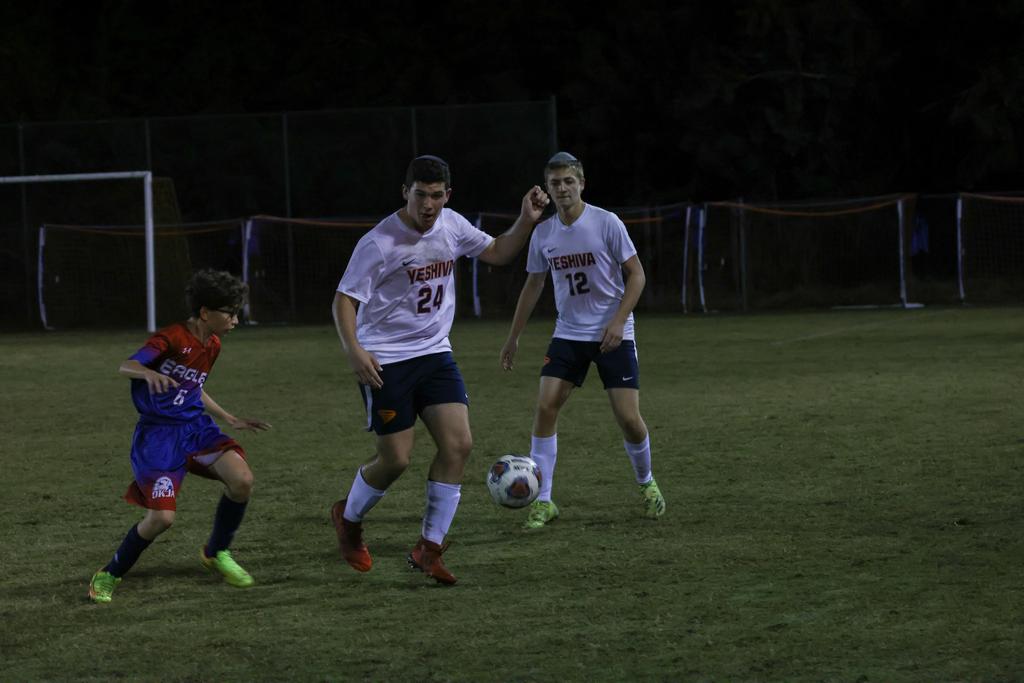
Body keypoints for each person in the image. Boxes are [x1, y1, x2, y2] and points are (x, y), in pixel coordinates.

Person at [331, 154, 549, 585]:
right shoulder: (379, 242)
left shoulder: (452, 224)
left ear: (447, 195)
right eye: (420, 195)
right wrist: (354, 350)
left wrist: (526, 220)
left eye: (435, 195)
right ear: (405, 193)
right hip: (386, 358)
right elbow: (344, 301)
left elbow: (498, 252)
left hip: (434, 353)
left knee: (459, 445)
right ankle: (349, 518)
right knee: (396, 459)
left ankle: (429, 549)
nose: (427, 204)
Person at [499, 151, 665, 529]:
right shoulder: (544, 233)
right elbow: (534, 284)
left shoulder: (606, 222)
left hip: (612, 333)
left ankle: (647, 483)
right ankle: (543, 501)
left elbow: (636, 275)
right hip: (569, 333)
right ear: (548, 188)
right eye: (555, 183)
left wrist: (618, 322)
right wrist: (513, 337)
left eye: (568, 181)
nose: (562, 189)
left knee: (628, 418)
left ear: (582, 184)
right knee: (546, 407)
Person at [88, 269, 271, 604]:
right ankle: (109, 573)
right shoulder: (171, 338)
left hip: (196, 430)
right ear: (205, 312)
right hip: (159, 438)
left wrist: (228, 417)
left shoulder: (212, 344)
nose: (235, 320)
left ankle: (216, 552)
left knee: (242, 480)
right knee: (161, 519)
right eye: (230, 313)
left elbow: (193, 387)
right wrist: (146, 373)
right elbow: (127, 365)